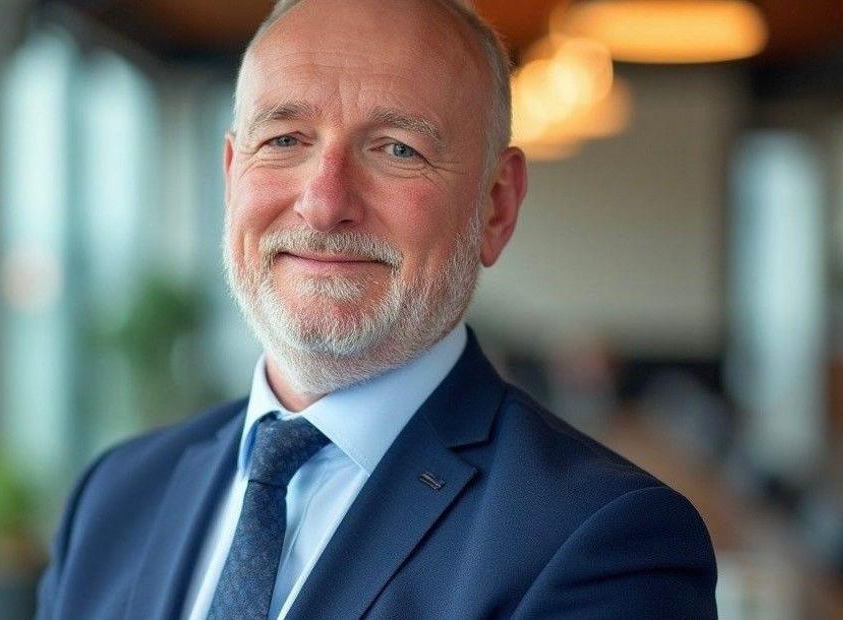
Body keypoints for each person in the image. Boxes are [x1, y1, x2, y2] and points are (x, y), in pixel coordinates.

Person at [35, 0, 718, 618]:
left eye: (397, 149)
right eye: (284, 139)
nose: (324, 203)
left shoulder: (606, 542)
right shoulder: (114, 497)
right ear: (232, 174)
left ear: (496, 207)